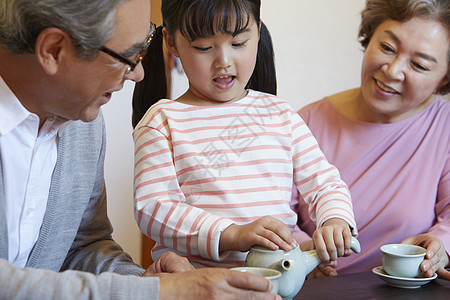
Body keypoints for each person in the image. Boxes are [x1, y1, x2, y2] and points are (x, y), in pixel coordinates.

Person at [0, 0, 283, 299]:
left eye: (145, 45)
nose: (138, 74)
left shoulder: (84, 126)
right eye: (127, 56)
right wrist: (155, 293)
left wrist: (143, 280)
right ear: (53, 50)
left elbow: (83, 246)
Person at [132, 0, 358, 270]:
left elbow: (325, 183)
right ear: (171, 42)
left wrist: (335, 221)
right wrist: (233, 235)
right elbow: (155, 208)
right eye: (204, 47)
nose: (223, 61)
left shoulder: (279, 114)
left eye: (238, 43)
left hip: (278, 280)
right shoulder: (162, 121)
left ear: (258, 32)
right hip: (198, 284)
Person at [293, 0, 450, 280]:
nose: (392, 70)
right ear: (370, 36)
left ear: (445, 78)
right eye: (387, 48)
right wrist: (302, 251)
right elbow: (277, 212)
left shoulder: (445, 127)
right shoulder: (305, 122)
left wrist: (439, 247)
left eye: (419, 65)